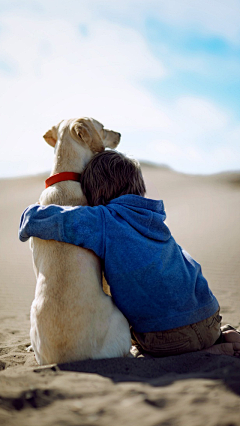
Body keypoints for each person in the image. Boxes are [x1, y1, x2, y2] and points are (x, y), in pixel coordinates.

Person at [19, 150, 240, 357]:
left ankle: (213, 352)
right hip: (209, 316)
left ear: (95, 192)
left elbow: (40, 220)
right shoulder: (152, 215)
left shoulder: (104, 219)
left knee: (142, 345)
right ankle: (220, 337)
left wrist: (32, 209)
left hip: (166, 337)